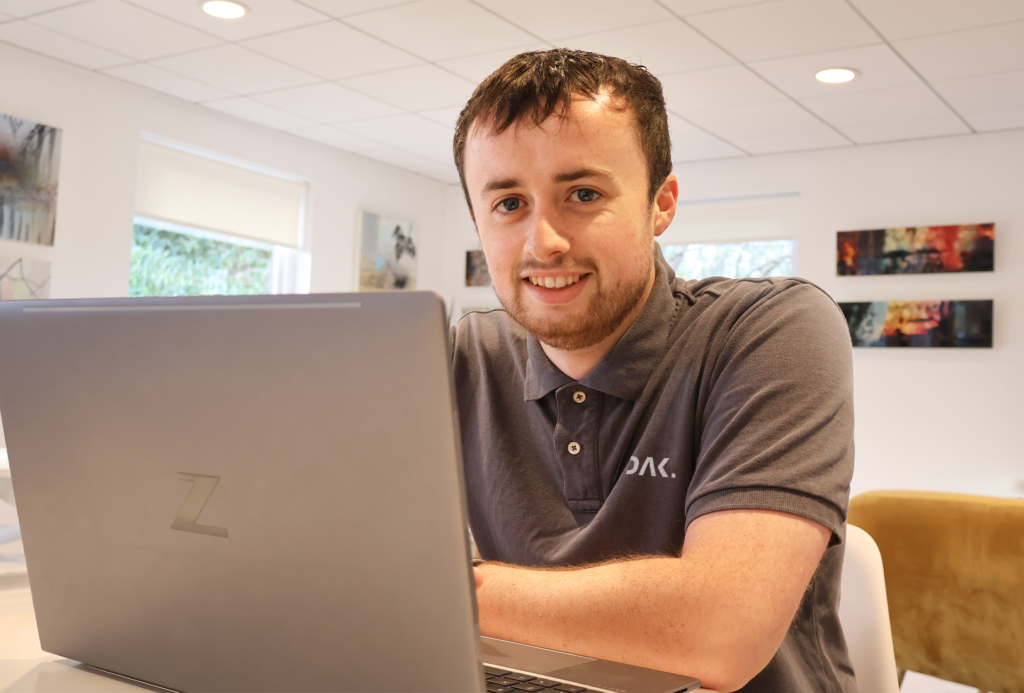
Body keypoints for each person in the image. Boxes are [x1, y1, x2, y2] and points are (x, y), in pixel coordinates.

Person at [449, 49, 856, 693]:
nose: (542, 242)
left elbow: (719, 631)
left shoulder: (773, 328)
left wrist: (432, 591)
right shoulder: (465, 352)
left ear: (660, 202)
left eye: (582, 194)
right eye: (508, 203)